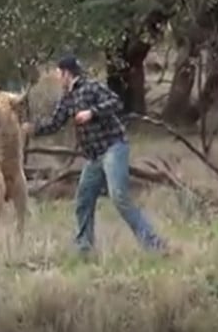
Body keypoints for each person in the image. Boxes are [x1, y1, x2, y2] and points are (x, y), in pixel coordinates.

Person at [22, 55, 168, 254]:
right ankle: (84, 247)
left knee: (119, 198)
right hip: (94, 157)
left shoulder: (91, 88)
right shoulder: (67, 98)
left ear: (67, 73)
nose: (57, 78)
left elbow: (116, 103)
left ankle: (154, 244)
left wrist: (92, 112)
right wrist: (32, 129)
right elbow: (54, 124)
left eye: (58, 73)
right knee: (83, 200)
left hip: (113, 148)